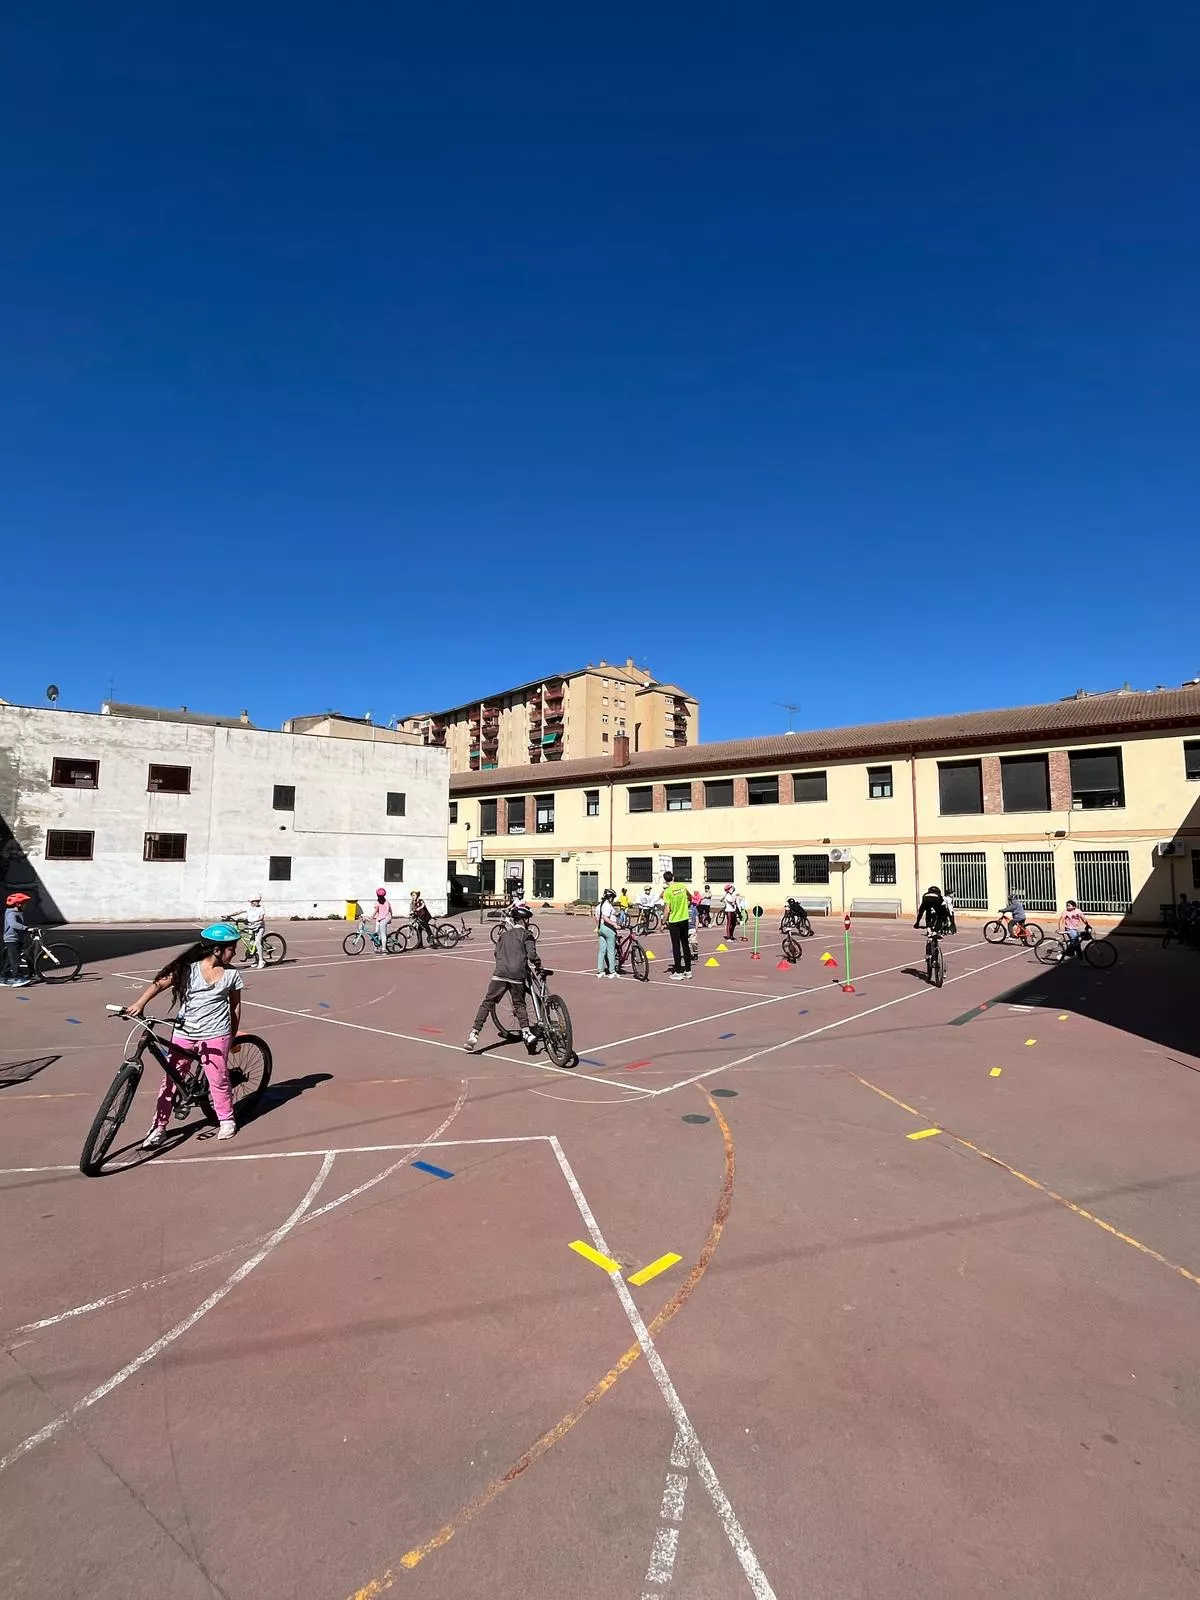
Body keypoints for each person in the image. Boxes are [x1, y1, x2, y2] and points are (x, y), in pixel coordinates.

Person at [127, 923, 244, 1144]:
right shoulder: (189, 968)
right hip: (185, 1032)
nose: (235, 952)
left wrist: (232, 1034)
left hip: (216, 1032)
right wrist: (140, 1003)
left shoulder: (231, 975)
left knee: (217, 1079)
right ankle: (159, 1126)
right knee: (171, 1079)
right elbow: (160, 984)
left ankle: (226, 1119)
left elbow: (235, 1006)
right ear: (217, 950)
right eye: (232, 948)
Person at [464, 904, 541, 1052]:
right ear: (525, 920)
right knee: (519, 1003)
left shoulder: (504, 935)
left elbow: (496, 953)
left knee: (488, 1002)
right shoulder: (527, 935)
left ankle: (474, 1033)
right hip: (517, 974)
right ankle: (526, 1032)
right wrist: (538, 965)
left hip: (500, 972)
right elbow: (531, 955)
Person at [661, 871, 693, 980]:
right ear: (673, 877)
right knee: (685, 944)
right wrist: (687, 903)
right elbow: (690, 896)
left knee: (676, 946)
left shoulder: (668, 891)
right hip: (684, 919)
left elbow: (667, 909)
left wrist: (663, 922)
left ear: (665, 880)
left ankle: (678, 971)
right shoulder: (682, 886)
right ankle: (688, 970)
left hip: (674, 921)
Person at [232, 893, 268, 968]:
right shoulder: (248, 908)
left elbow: (261, 918)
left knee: (257, 942)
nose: (257, 902)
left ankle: (261, 961)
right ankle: (256, 960)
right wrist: (229, 915)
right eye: (256, 901)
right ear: (251, 902)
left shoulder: (261, 908)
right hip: (251, 927)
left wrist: (254, 921)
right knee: (252, 944)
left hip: (260, 927)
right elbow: (239, 911)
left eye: (258, 900)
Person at [3, 892, 31, 986]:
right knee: (15, 960)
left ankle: (3, 977)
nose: (26, 905)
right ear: (18, 904)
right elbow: (13, 924)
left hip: (17, 939)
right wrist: (25, 928)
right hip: (11, 939)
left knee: (10, 960)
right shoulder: (11, 914)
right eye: (24, 904)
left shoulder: (17, 913)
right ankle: (17, 978)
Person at [595, 888, 620, 978]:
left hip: (601, 928)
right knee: (610, 951)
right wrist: (615, 924)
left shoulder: (598, 906)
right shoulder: (608, 906)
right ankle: (612, 971)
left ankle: (600, 970)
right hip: (608, 929)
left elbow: (597, 918)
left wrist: (597, 928)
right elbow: (605, 917)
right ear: (610, 898)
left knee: (602, 951)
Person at [372, 887, 393, 953]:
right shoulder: (387, 902)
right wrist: (391, 918)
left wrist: (371, 917)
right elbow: (391, 911)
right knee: (377, 933)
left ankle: (383, 948)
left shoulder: (377, 902)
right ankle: (377, 947)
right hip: (382, 918)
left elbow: (375, 911)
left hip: (384, 918)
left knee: (382, 934)